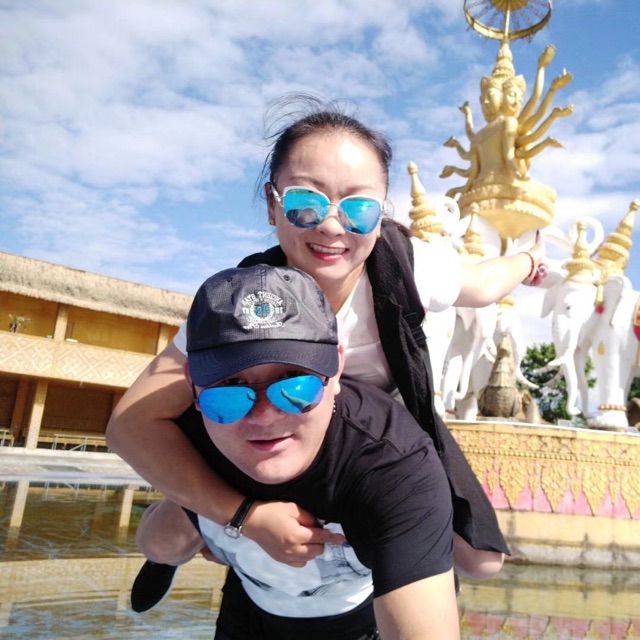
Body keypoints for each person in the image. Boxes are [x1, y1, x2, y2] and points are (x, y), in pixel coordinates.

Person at [107, 97, 545, 609]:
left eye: (359, 208)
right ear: (272, 205)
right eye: (305, 203)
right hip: (265, 423)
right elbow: (130, 423)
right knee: (164, 541)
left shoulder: (408, 268)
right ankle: (193, 520)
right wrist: (241, 514)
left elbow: (484, 284)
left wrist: (528, 259)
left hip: (370, 437)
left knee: (481, 560)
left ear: (382, 213)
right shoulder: (246, 302)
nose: (333, 227)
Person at [137, 264, 460, 639]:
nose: (264, 416)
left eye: (294, 382)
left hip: (355, 623)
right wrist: (233, 516)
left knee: (479, 561)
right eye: (231, 386)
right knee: (161, 544)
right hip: (250, 607)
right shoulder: (198, 431)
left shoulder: (394, 466)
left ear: (335, 370)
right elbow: (151, 531)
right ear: (192, 385)